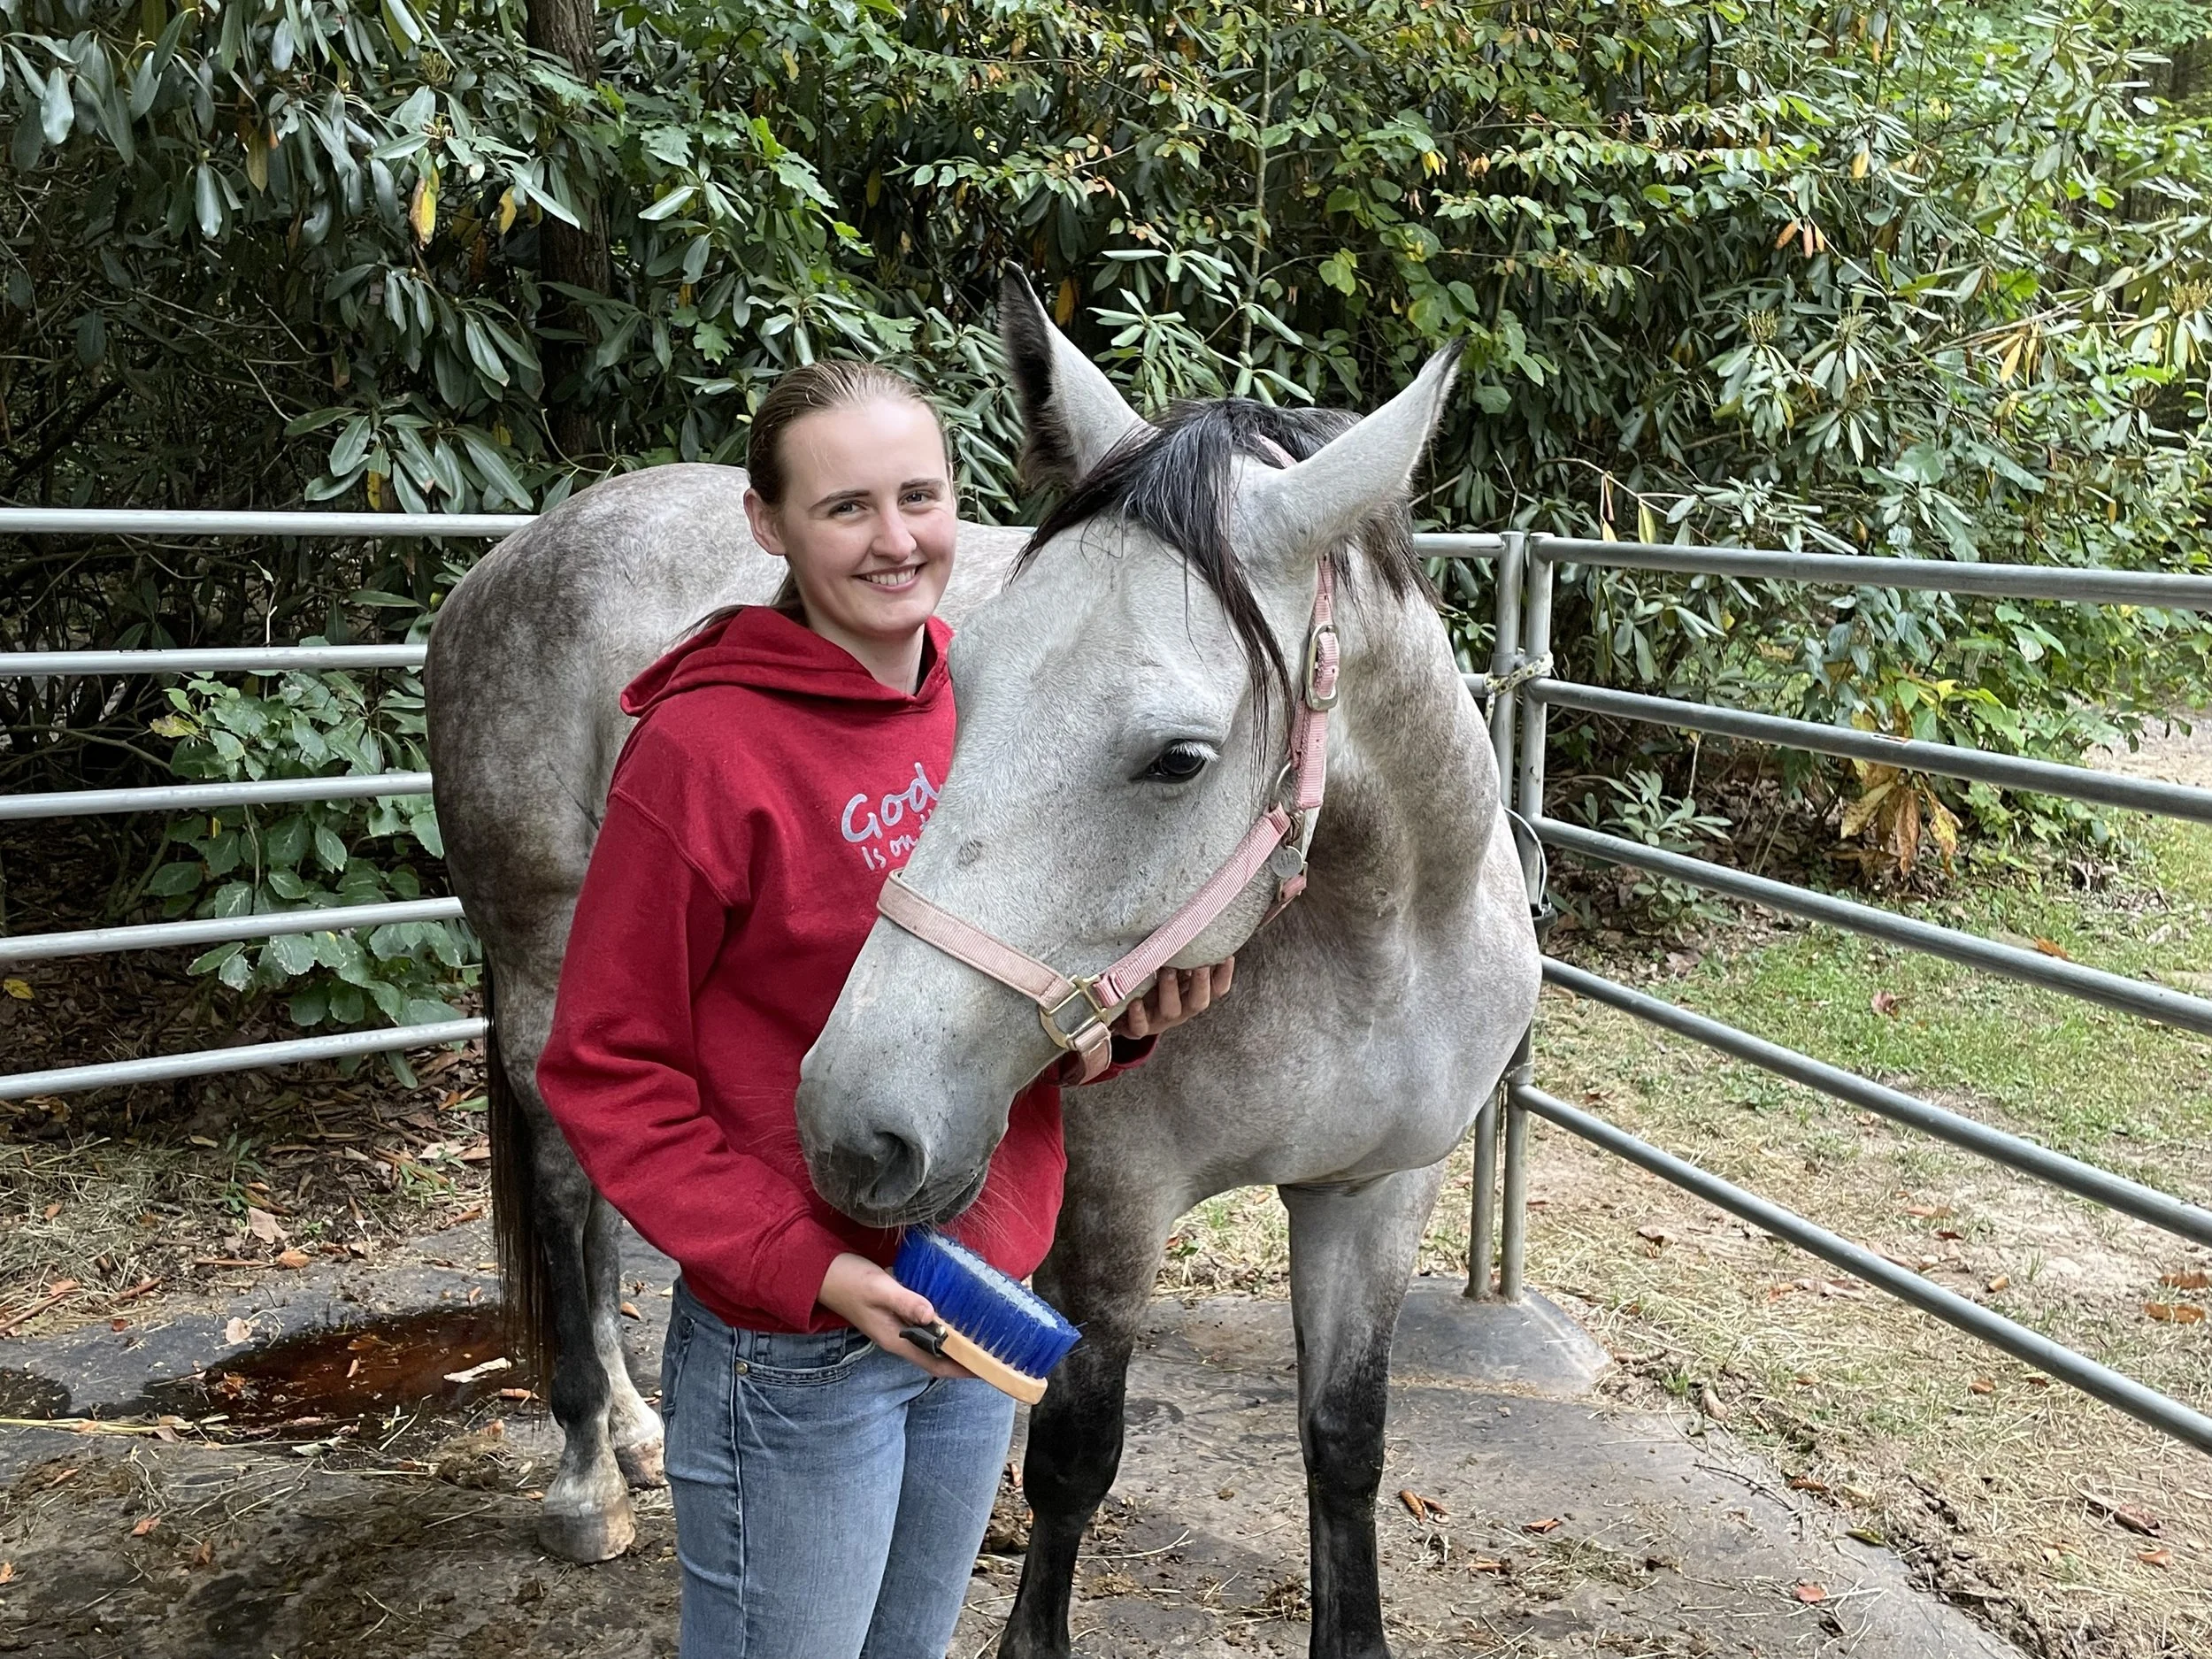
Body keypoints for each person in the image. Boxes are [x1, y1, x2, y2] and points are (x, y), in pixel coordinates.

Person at [534, 359, 1233, 1659]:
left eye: (921, 494)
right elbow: (604, 1065)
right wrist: (813, 1270)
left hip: (977, 1294)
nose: (897, 537)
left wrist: (1126, 1024)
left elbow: (1009, 1012)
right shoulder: (700, 755)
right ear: (769, 525)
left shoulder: (998, 711)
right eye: (846, 505)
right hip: (791, 1347)